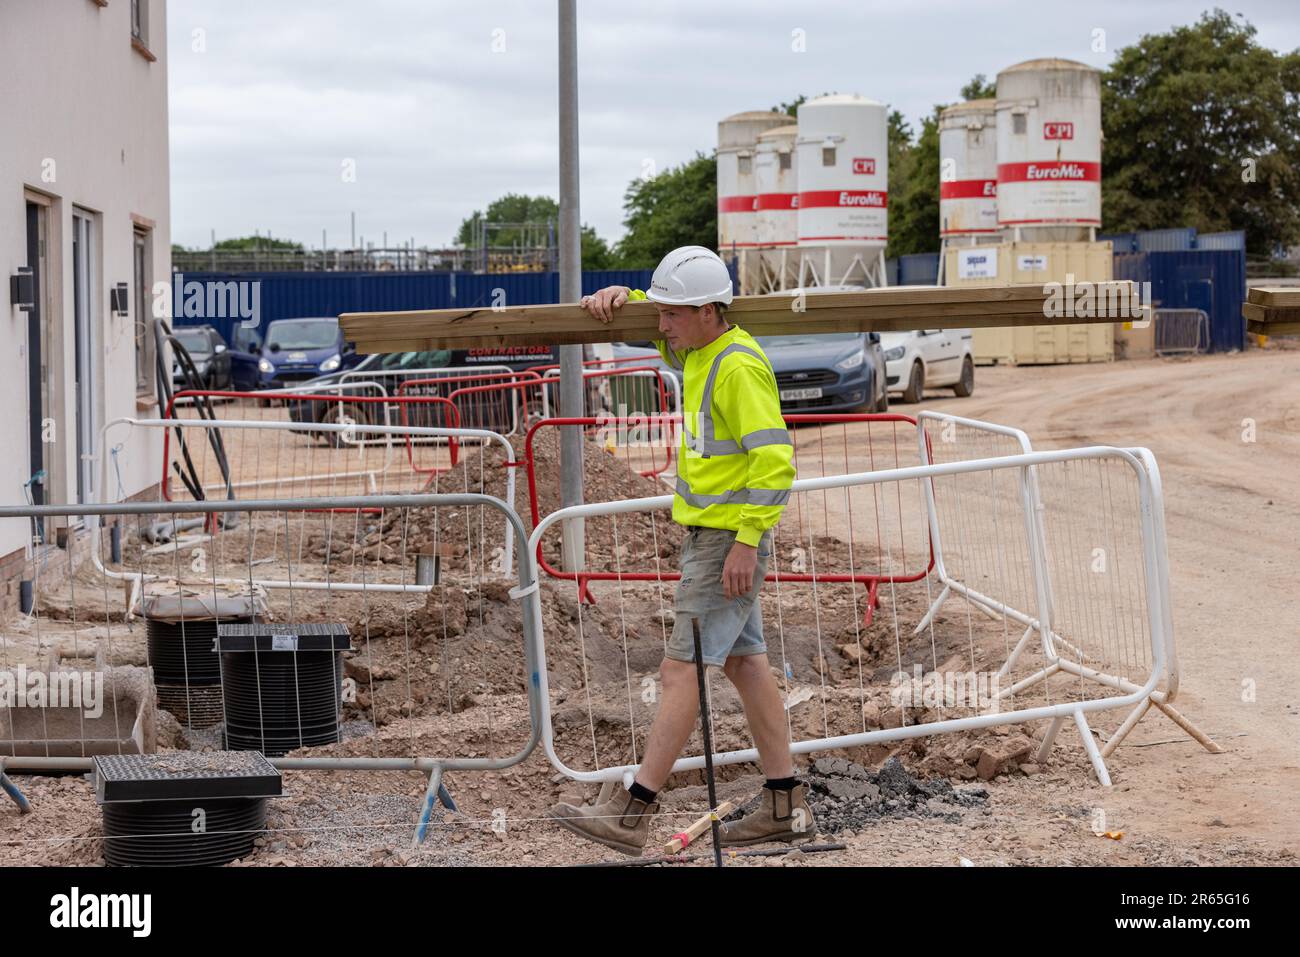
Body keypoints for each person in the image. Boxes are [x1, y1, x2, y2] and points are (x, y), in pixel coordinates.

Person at [547, 245, 815, 855]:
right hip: (717, 537)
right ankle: (785, 804)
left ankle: (634, 810)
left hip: (726, 540)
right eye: (660, 312)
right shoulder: (700, 349)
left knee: (679, 671)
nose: (660, 327)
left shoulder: (737, 367)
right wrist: (626, 298)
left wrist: (746, 543)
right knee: (745, 665)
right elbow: (657, 320)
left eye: (670, 315)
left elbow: (775, 465)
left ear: (708, 311)